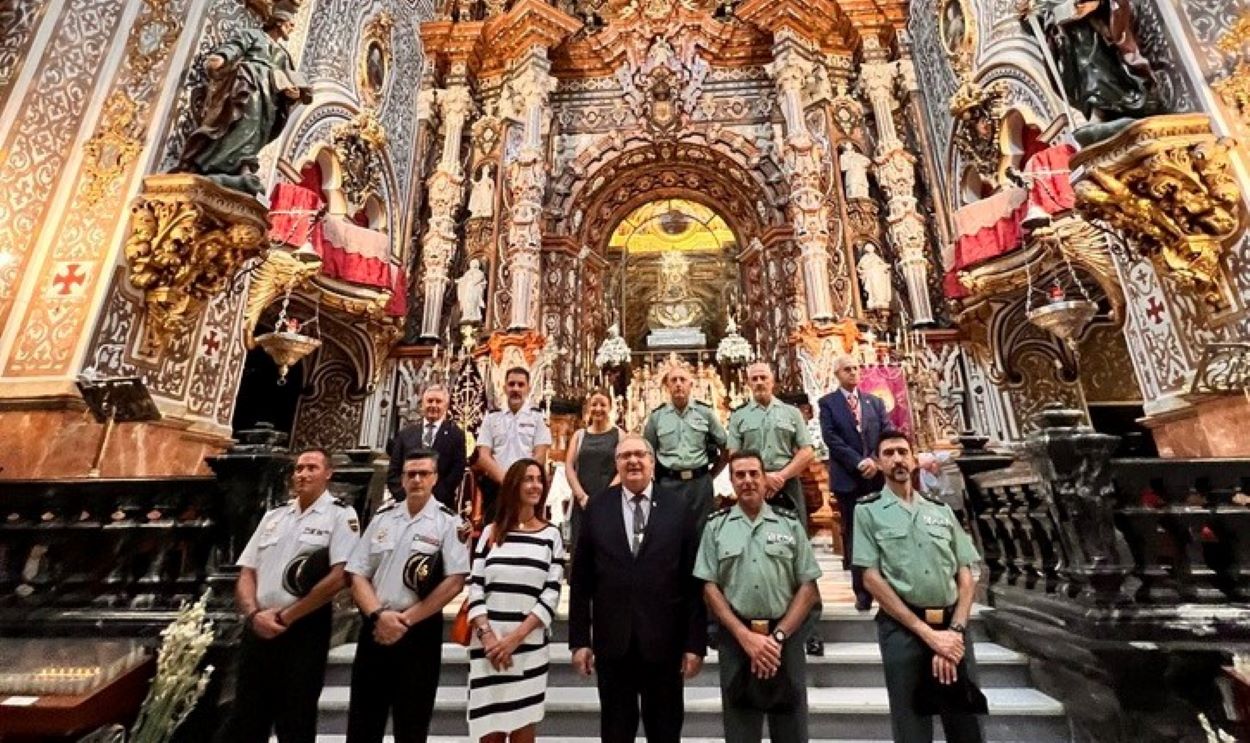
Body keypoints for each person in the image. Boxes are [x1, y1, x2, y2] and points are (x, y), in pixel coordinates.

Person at [568, 433, 707, 743]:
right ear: (616, 464)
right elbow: (581, 581)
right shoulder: (597, 508)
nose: (632, 461)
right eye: (625, 456)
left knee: (665, 732)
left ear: (652, 463)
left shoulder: (678, 507)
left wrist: (695, 643)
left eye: (639, 455)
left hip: (665, 644)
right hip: (613, 644)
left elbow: (693, 581)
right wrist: (579, 640)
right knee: (616, 732)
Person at [215, 448, 359, 743]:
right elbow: (247, 571)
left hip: (303, 628)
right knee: (247, 716)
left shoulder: (340, 516)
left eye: (312, 468)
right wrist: (254, 614)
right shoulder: (274, 515)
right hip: (257, 626)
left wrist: (285, 616)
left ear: (328, 474)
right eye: (299, 469)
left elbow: (340, 576)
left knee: (296, 718)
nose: (303, 474)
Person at [854, 430, 984, 743]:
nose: (897, 459)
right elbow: (871, 578)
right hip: (904, 629)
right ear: (879, 463)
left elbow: (966, 573)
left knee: (965, 723)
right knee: (911, 724)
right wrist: (927, 634)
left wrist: (953, 631)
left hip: (953, 625)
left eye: (902, 452)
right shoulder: (868, 512)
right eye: (888, 453)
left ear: (914, 460)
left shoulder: (939, 511)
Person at [695, 451, 822, 743]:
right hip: (737, 640)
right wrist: (744, 635)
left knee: (791, 729)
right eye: (740, 475)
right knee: (740, 730)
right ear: (731, 481)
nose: (748, 481)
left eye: (754, 473)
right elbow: (709, 587)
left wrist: (776, 638)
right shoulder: (716, 527)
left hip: (784, 641)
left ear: (764, 478)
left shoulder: (789, 524)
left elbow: (808, 587)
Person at [344, 450, 470, 743]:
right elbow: (357, 572)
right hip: (375, 627)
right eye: (410, 474)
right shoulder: (382, 518)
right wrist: (377, 614)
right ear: (401, 478)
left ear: (435, 478)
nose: (416, 480)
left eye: (423, 474)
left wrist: (405, 620)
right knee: (363, 722)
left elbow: (454, 581)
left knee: (412, 723)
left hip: (418, 631)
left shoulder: (448, 523)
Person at [466, 459, 565, 742]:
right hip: (487, 645)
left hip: (527, 646)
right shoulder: (491, 533)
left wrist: (514, 639)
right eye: (527, 479)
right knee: (489, 731)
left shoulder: (550, 536)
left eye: (538, 480)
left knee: (523, 728)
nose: (535, 485)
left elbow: (550, 594)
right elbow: (475, 586)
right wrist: (488, 637)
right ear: (513, 485)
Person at [176, 8, 312, 195]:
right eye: (290, 24)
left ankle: (245, 166)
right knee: (244, 120)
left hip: (271, 96)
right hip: (249, 83)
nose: (292, 28)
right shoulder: (255, 35)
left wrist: (294, 94)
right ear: (279, 22)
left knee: (260, 129)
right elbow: (235, 46)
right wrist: (221, 57)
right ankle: (216, 163)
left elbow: (289, 77)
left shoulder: (284, 55)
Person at [818, 354, 887, 614]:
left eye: (856, 368)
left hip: (876, 477)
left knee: (882, 533)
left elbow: (885, 432)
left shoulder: (875, 402)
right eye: (847, 369)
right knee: (856, 536)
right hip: (849, 477)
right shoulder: (828, 403)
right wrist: (859, 462)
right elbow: (831, 438)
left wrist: (873, 460)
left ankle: (887, 589)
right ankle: (863, 592)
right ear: (837, 374)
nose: (853, 373)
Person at [726, 362, 814, 527]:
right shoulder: (739, 416)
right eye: (754, 378)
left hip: (788, 483)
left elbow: (807, 451)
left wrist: (781, 476)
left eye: (763, 377)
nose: (759, 382)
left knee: (794, 532)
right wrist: (764, 478)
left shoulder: (792, 413)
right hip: (752, 485)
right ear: (748, 384)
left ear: (772, 381)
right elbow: (733, 455)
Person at [643, 360, 728, 530]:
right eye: (673, 380)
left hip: (700, 484)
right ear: (667, 386)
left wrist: (711, 475)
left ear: (691, 385)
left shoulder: (705, 413)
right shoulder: (657, 417)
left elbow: (726, 447)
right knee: (670, 533)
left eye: (682, 380)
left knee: (703, 532)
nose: (678, 384)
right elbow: (647, 452)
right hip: (669, 483)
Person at [476, 367, 553, 522]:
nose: (515, 389)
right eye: (511, 384)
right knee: (495, 534)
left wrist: (522, 480)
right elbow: (483, 456)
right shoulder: (491, 418)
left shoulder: (537, 418)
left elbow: (540, 454)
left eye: (520, 384)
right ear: (504, 387)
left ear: (528, 388)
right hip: (498, 487)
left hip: (526, 487)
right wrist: (508, 480)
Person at [387, 384, 467, 509]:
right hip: (405, 505)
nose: (433, 405)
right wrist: (406, 497)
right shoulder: (405, 434)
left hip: (440, 505)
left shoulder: (456, 436)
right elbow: (394, 471)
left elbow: (456, 472)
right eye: (430, 401)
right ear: (422, 404)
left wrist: (431, 500)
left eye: (438, 401)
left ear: (445, 406)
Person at [563, 388, 622, 551]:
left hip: (608, 503)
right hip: (582, 502)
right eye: (594, 404)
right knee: (580, 549)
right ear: (588, 407)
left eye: (602, 405)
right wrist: (581, 496)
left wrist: (604, 498)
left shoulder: (620, 435)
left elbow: (622, 469)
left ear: (610, 407)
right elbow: (569, 466)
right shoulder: (579, 435)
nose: (598, 409)